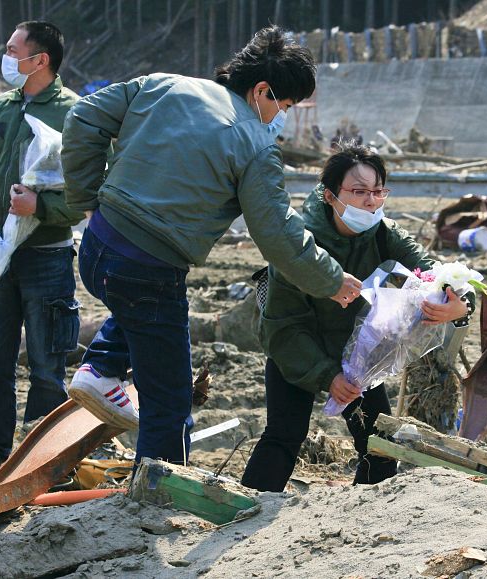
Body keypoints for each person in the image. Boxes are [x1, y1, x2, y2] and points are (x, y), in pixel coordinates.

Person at [61, 26, 362, 467]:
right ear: (262, 90)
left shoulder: (163, 84)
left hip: (98, 246)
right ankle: (158, 495)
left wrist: (88, 200)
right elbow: (278, 234)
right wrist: (332, 281)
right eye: (285, 105)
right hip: (150, 267)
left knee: (141, 315)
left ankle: (101, 366)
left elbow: (83, 117)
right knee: (169, 398)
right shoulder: (255, 144)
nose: (281, 116)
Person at [241, 144, 474, 492]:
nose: (371, 201)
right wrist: (327, 374)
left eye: (379, 191)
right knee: (284, 435)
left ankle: (363, 518)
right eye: (359, 191)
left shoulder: (384, 233)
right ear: (330, 195)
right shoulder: (298, 243)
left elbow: (436, 271)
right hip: (297, 345)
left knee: (378, 444)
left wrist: (459, 305)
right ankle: (245, 509)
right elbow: (283, 325)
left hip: (359, 355)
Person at [0, 22, 83, 483]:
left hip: (47, 254)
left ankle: (43, 461)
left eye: (12, 49)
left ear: (39, 59)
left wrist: (40, 207)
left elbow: (90, 191)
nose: (5, 57)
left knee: (48, 364)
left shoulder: (75, 114)